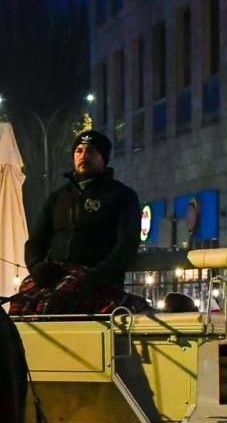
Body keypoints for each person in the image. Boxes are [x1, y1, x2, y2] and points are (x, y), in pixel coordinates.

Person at [11, 130, 145, 315]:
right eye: (79, 151)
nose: (84, 156)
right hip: (55, 272)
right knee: (20, 307)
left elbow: (127, 243)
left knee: (51, 306)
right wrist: (36, 267)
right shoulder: (57, 198)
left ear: (103, 158)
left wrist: (98, 274)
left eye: (91, 151)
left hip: (96, 276)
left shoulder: (121, 195)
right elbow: (36, 241)